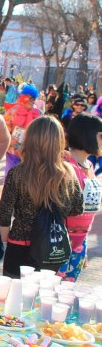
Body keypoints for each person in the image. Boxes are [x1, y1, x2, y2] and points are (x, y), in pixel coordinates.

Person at [0, 116, 83, 278]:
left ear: (30, 139)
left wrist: (5, 239)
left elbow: (4, 215)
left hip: (20, 245)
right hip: (51, 246)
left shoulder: (18, 173)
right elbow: (77, 208)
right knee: (43, 296)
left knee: (14, 297)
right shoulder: (68, 173)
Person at [57, 114, 102, 281]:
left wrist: (83, 247)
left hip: (80, 243)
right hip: (60, 242)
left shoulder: (89, 166)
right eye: (101, 135)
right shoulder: (65, 165)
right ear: (86, 135)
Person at [3, 84, 40, 176]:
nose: (31, 101)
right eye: (28, 98)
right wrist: (10, 141)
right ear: (23, 97)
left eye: (33, 98)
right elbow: (4, 129)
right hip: (13, 151)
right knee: (11, 176)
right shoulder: (13, 111)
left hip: (30, 152)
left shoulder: (37, 113)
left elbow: (40, 132)